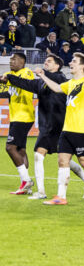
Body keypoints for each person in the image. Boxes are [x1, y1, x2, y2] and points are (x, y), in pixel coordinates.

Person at [4, 53, 84, 200]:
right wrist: (10, 78)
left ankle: (44, 191)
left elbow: (56, 80)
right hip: (48, 127)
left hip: (58, 125)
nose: (46, 63)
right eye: (45, 61)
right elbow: (26, 84)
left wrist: (44, 74)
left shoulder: (60, 79)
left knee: (49, 157)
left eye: (49, 61)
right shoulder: (42, 82)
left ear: (57, 66)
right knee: (60, 159)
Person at [35, 53, 84, 206]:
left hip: (81, 129)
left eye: (74, 61)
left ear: (82, 66)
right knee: (62, 160)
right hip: (66, 130)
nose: (70, 63)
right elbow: (57, 88)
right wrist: (42, 76)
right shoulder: (71, 83)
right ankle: (61, 196)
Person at [3, 51, 37, 194]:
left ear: (22, 62)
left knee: (10, 147)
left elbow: (22, 83)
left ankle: (26, 180)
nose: (11, 62)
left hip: (23, 117)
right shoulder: (11, 75)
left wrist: (7, 77)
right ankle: (26, 185)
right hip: (16, 117)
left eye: (14, 60)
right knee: (20, 149)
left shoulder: (27, 73)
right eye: (10, 60)